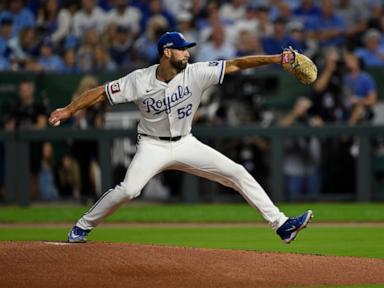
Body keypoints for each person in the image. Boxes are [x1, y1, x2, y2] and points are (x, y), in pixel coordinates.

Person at [49, 31, 313, 244]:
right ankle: (82, 226)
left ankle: (281, 225)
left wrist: (277, 59)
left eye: (187, 48)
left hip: (186, 143)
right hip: (152, 145)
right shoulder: (139, 80)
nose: (187, 53)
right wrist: (69, 110)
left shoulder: (196, 72)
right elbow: (99, 92)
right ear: (167, 52)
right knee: (129, 190)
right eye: (182, 48)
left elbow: (236, 64)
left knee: (236, 172)